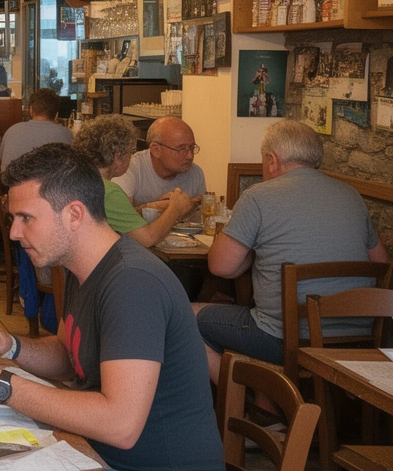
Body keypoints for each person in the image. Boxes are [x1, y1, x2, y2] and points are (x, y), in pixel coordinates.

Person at [0, 143, 224, 471]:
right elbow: (69, 350)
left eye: (26, 218)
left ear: (74, 214)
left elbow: (120, 424)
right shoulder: (84, 268)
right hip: (107, 462)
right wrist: (10, 346)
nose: (15, 232)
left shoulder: (131, 284)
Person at [195, 120, 388, 381]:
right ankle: (274, 400)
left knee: (181, 317)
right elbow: (382, 264)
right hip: (358, 337)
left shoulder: (258, 197)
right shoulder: (351, 195)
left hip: (284, 338)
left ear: (272, 160)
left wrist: (252, 253)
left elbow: (220, 266)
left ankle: (252, 401)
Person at [73, 115, 195, 250]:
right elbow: (148, 238)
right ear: (118, 157)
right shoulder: (107, 191)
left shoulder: (76, 179)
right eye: (131, 152)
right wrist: (175, 207)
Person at [111, 116, 207, 209]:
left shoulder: (196, 173)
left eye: (192, 147)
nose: (189, 156)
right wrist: (162, 208)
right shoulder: (129, 168)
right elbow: (121, 219)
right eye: (181, 149)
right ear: (155, 150)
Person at [0, 88, 72, 170]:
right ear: (56, 114)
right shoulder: (66, 134)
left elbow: (0, 160)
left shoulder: (11, 131)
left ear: (31, 110)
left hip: (12, 182)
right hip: (49, 182)